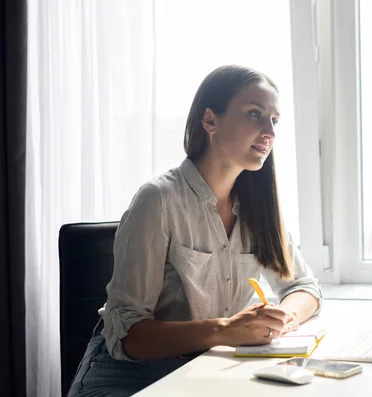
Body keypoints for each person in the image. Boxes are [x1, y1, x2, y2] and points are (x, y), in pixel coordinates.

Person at [67, 65, 323, 397]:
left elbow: (305, 287)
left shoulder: (260, 209)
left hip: (205, 371)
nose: (269, 131)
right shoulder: (158, 199)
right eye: (255, 114)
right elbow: (127, 334)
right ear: (210, 121)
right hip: (127, 376)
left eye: (274, 120)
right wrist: (225, 330)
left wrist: (282, 317)